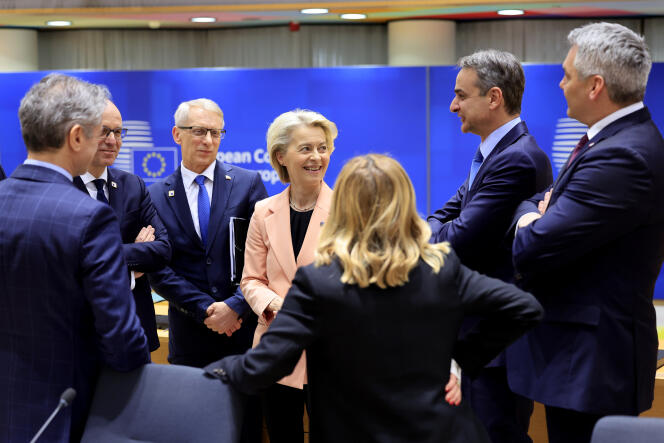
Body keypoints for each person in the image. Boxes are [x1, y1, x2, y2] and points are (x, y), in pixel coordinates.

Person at [206, 153, 544, 443]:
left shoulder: (318, 283)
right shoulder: (442, 269)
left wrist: (212, 374)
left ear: (343, 208)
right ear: (405, 203)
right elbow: (523, 308)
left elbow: (265, 365)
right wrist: (459, 361)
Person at [511, 22, 664, 443]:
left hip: (593, 363)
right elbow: (545, 203)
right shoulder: (611, 142)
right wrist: (538, 210)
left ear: (595, 85)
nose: (560, 84)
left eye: (567, 75)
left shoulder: (624, 155)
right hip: (580, 357)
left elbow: (533, 246)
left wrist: (529, 218)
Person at [0, 74, 149, 442]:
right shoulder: (88, 217)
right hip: (66, 410)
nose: (105, 140)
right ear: (77, 136)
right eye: (100, 132)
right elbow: (122, 336)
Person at [427, 49, 552, 443]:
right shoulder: (493, 152)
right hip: (477, 335)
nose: (452, 105)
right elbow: (445, 214)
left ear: (494, 98)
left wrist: (420, 237)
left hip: (497, 345)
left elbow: (462, 239)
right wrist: (429, 231)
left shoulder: (518, 158)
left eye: (461, 95)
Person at [148, 98, 267, 442]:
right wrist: (207, 310)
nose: (208, 140)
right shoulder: (154, 195)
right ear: (177, 134)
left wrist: (235, 306)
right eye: (198, 131)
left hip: (243, 335)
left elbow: (262, 257)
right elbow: (159, 267)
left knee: (245, 429)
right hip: (190, 337)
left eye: (216, 132)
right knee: (192, 430)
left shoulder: (247, 184)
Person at [234, 109, 337, 442]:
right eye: (305, 148)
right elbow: (250, 280)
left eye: (322, 147)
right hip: (276, 347)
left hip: (333, 349)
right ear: (281, 156)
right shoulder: (263, 211)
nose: (317, 157)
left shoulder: (347, 209)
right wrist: (281, 307)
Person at [74, 99, 171, 353]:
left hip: (135, 331)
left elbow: (162, 250)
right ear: (80, 133)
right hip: (80, 334)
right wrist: (130, 265)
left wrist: (102, 256)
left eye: (118, 132)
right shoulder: (60, 187)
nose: (112, 140)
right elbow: (72, 260)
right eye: (104, 131)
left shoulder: (133, 185)